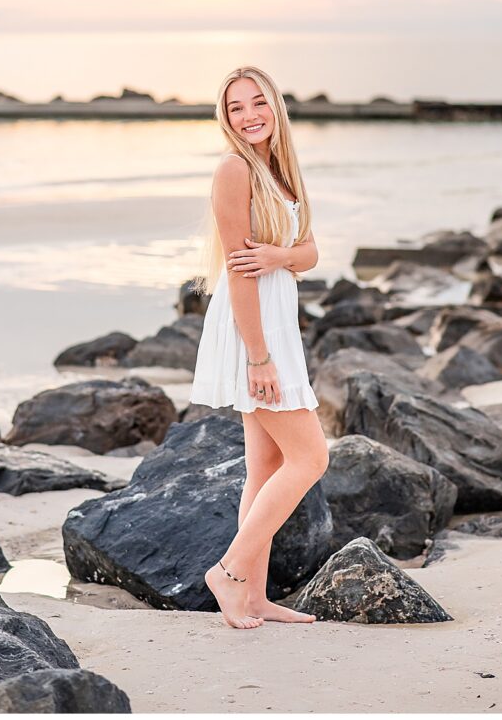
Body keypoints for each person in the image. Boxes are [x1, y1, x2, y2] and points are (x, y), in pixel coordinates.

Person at [190, 65, 329, 630]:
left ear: (275, 105)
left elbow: (311, 252)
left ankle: (253, 597)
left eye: (256, 103)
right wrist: (258, 356)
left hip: (275, 325)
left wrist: (280, 256)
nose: (248, 116)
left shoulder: (281, 171)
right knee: (311, 457)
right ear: (225, 119)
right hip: (254, 330)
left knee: (266, 465)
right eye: (235, 108)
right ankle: (229, 571)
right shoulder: (233, 170)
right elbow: (239, 272)